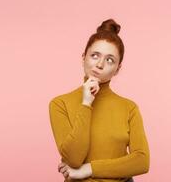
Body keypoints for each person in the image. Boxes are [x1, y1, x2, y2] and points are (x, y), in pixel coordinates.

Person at [48, 19, 150, 182]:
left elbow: (142, 161)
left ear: (117, 69)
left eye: (110, 60)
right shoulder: (60, 104)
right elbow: (74, 159)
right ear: (83, 57)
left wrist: (88, 169)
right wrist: (86, 103)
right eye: (95, 55)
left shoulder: (129, 108)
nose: (100, 64)